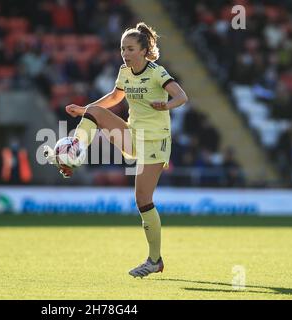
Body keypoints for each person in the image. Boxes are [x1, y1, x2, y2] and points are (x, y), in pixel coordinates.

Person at [46, 22, 188, 278]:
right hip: (134, 135)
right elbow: (114, 97)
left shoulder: (158, 73)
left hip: (155, 141)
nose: (125, 53)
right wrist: (84, 108)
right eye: (123, 48)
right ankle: (74, 149)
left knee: (142, 200)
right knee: (95, 112)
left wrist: (165, 106)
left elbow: (181, 97)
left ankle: (154, 260)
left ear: (144, 50)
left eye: (130, 48)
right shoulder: (125, 72)